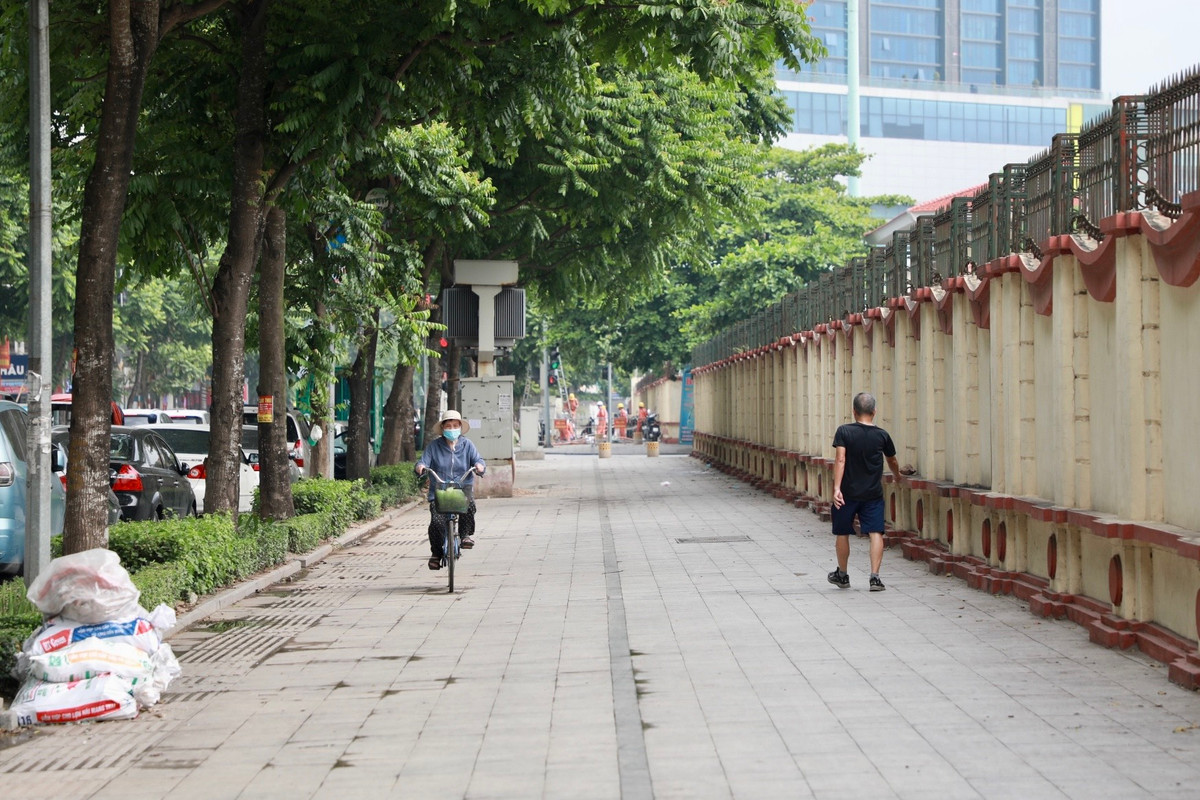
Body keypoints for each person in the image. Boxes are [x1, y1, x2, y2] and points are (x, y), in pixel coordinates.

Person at [827, 392, 908, 592]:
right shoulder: (882, 435)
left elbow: (840, 459)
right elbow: (892, 461)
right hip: (872, 494)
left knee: (843, 532)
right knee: (875, 532)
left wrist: (836, 488)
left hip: (846, 493)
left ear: (854, 411)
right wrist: (897, 475)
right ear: (874, 411)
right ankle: (875, 578)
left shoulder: (844, 432)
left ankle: (843, 575)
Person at [415, 410, 486, 570]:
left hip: (462, 491)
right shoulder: (434, 446)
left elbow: (478, 460)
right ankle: (436, 554)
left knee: (469, 507)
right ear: (443, 428)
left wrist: (479, 466)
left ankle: (465, 535)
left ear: (460, 427)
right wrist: (420, 467)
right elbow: (423, 461)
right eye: (449, 426)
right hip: (439, 492)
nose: (452, 428)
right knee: (436, 523)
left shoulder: (467, 445)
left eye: (455, 425)